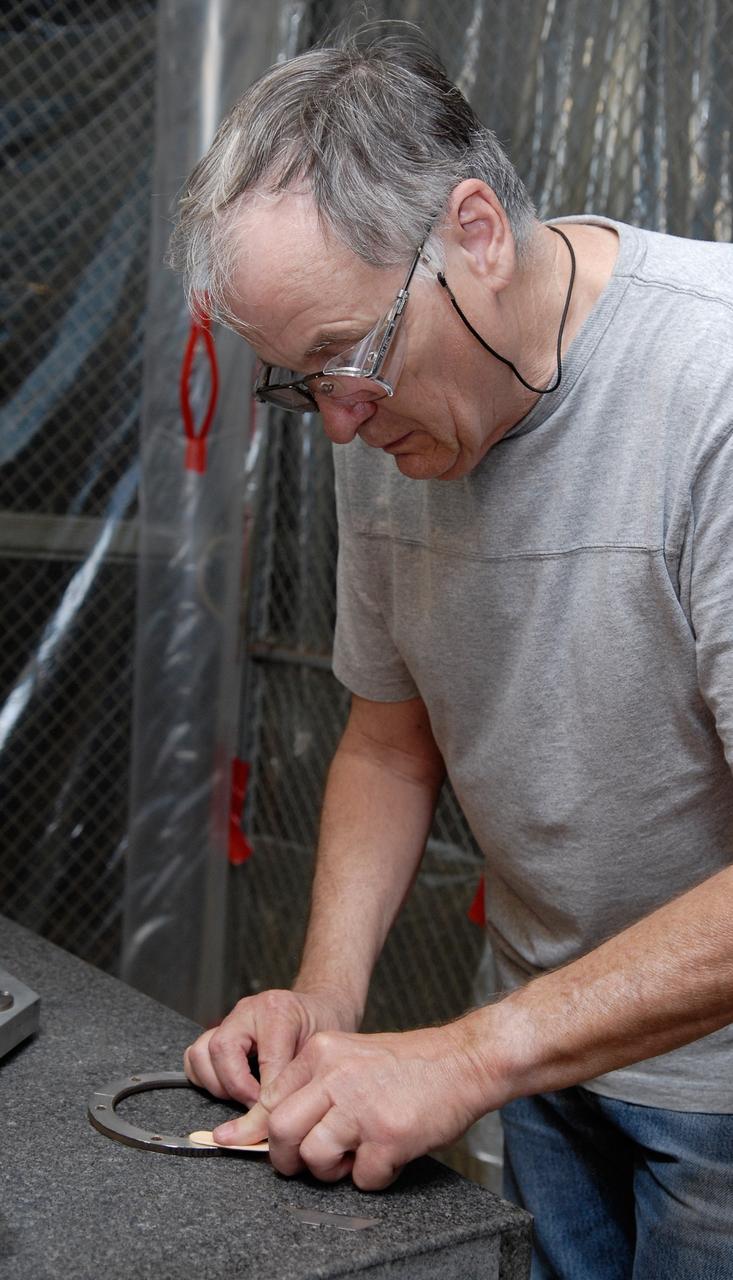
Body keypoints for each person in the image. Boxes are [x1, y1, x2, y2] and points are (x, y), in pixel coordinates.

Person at [169, 23, 733, 1279]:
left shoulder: (712, 386)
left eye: (342, 360)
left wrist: (467, 1054)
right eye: (296, 383)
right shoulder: (395, 422)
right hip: (549, 1056)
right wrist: (325, 1000)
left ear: (473, 234)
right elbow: (387, 737)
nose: (336, 425)